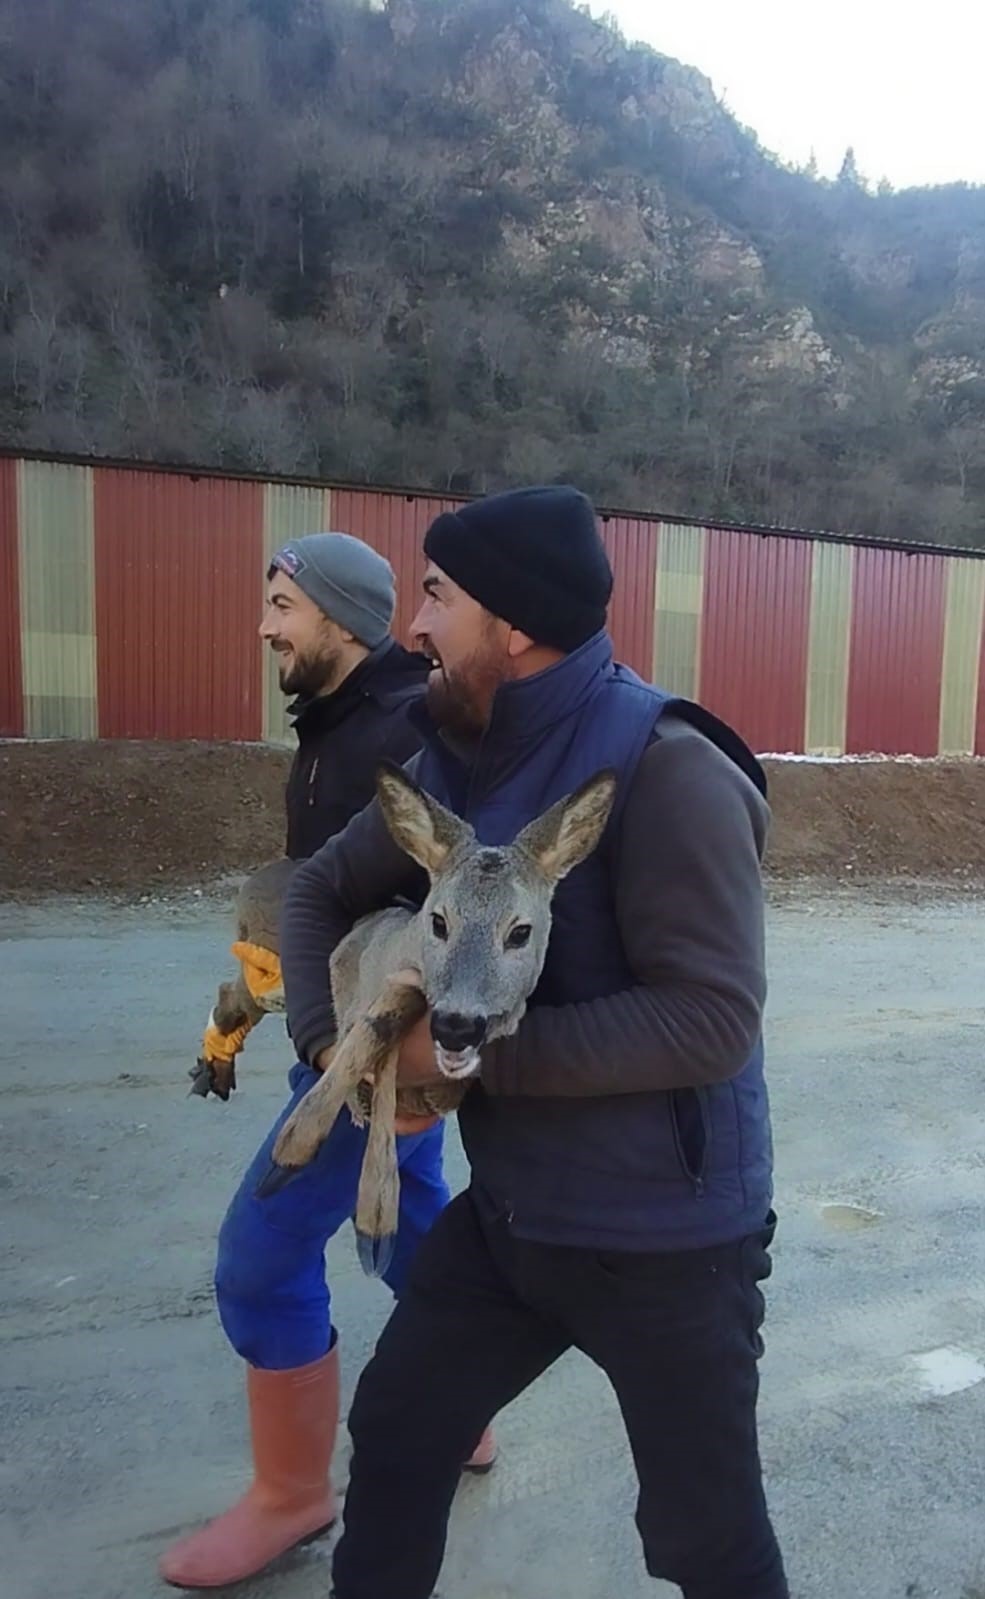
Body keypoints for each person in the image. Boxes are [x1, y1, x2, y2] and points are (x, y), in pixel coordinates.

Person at [279, 486, 790, 1599]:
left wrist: (452, 1056)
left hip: (668, 1245)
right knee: (402, 1430)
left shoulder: (669, 768)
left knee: (706, 1541)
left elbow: (711, 1019)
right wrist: (333, 1045)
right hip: (515, 1221)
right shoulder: (450, 763)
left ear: (509, 623)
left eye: (433, 598)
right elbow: (321, 889)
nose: (412, 628)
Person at [159, 532, 495, 1592]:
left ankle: (294, 1495)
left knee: (258, 1262)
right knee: (409, 1233)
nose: (265, 626)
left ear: (340, 619)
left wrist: (382, 1054)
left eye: (282, 607)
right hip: (335, 1037)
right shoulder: (332, 729)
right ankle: (463, 1401)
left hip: (367, 1061)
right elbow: (318, 901)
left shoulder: (401, 732)